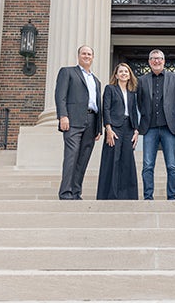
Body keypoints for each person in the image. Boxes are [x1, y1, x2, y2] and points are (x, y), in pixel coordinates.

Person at [54, 45, 102, 200]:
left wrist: (98, 127)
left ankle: (76, 192)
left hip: (92, 120)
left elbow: (97, 104)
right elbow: (60, 95)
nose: (87, 56)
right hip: (73, 120)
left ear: (93, 57)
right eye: (84, 53)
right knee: (71, 156)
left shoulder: (96, 81)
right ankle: (65, 192)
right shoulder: (67, 72)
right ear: (78, 56)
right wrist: (63, 115)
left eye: (89, 54)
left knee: (83, 159)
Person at [137, 49, 175, 200]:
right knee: (148, 165)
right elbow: (139, 103)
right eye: (153, 59)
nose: (156, 61)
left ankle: (172, 196)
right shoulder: (142, 80)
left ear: (164, 61)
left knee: (172, 166)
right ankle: (148, 196)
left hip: (169, 127)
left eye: (159, 58)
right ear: (149, 62)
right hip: (149, 127)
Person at [96, 63, 139, 200]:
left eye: (126, 71)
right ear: (116, 75)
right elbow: (106, 109)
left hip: (129, 128)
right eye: (121, 71)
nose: (124, 74)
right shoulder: (110, 89)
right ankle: (109, 195)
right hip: (114, 128)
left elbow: (133, 112)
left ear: (129, 74)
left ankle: (128, 195)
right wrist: (108, 128)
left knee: (127, 161)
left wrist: (136, 131)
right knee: (112, 160)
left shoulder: (132, 93)